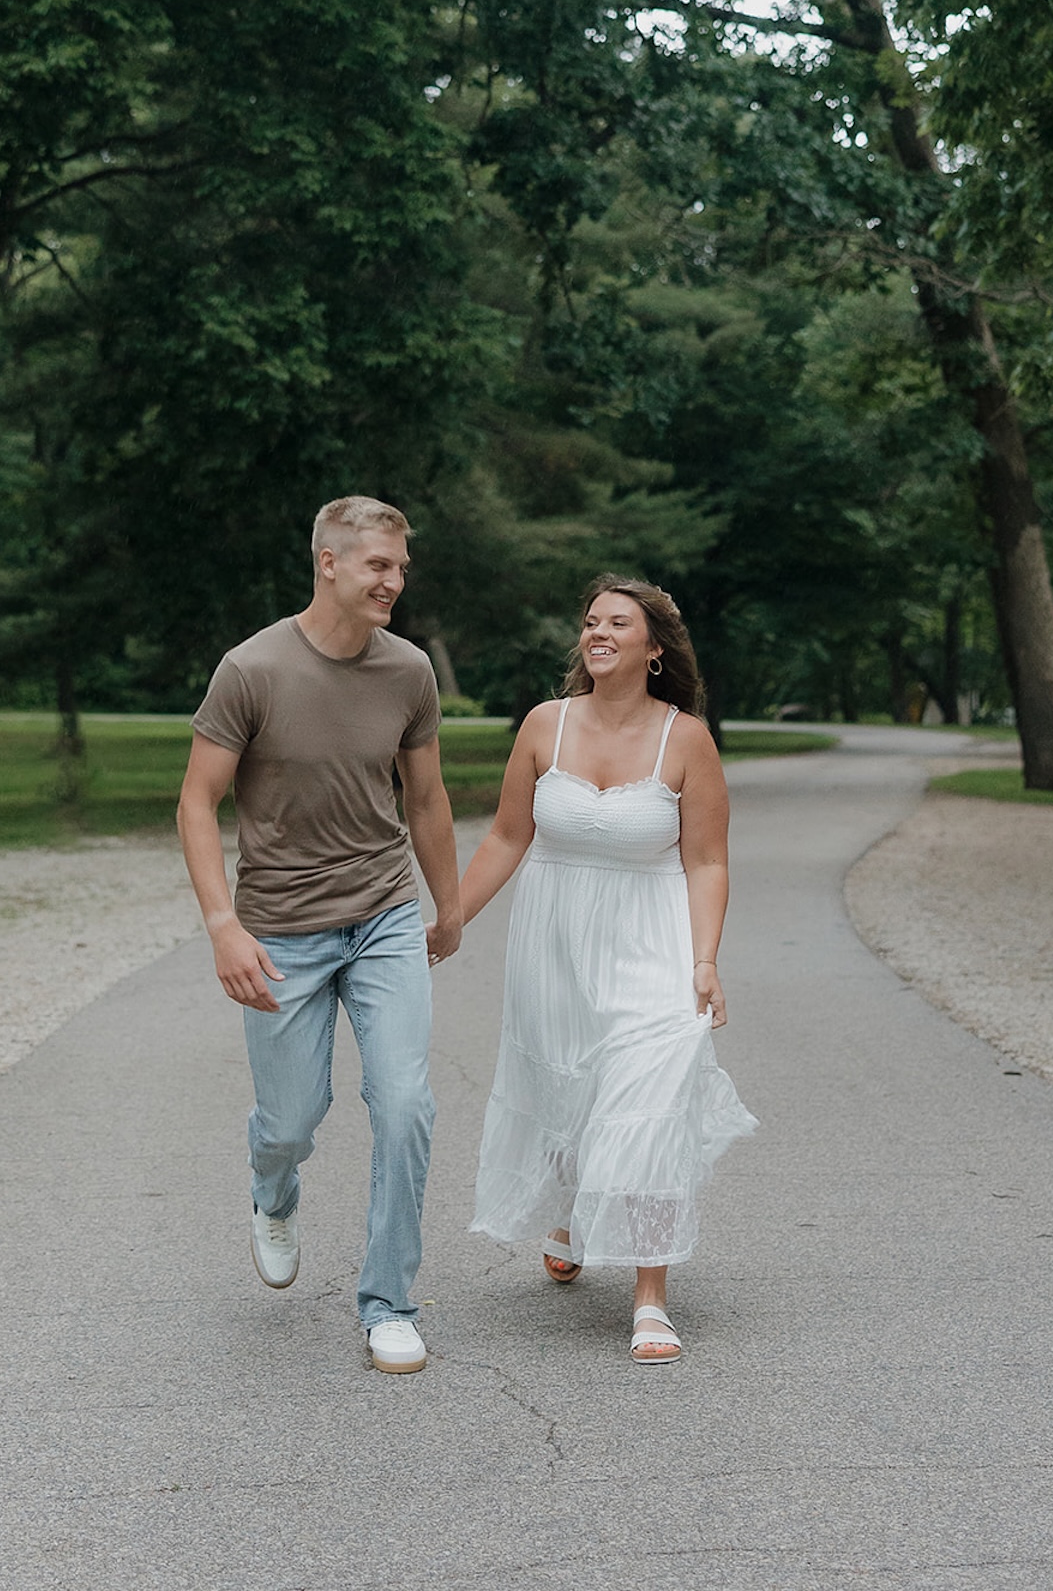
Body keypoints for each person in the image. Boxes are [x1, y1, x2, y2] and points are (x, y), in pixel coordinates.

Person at [177, 496, 461, 1374]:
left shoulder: (409, 671)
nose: (395, 582)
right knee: (293, 1120)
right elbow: (196, 802)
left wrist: (446, 905)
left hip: (381, 918)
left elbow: (425, 799)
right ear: (329, 563)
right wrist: (223, 925)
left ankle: (389, 1303)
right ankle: (273, 1187)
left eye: (402, 568)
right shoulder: (251, 669)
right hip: (282, 932)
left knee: (407, 1105)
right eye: (380, 565)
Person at [462, 574, 756, 1363]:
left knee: (646, 1103)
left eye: (618, 624)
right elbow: (504, 839)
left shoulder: (686, 739)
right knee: (569, 1085)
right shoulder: (543, 726)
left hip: (652, 942)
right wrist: (449, 920)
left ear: (654, 648)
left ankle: (651, 1297)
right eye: (591, 621)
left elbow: (707, 861)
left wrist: (705, 962)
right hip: (553, 943)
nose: (598, 633)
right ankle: (568, 1213)